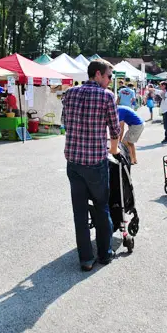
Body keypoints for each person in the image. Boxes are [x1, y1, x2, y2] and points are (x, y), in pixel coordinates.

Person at [62, 59, 120, 272]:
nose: (110, 80)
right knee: (101, 206)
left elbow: (65, 123)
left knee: (79, 211)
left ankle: (86, 258)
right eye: (108, 76)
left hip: (74, 161)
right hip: (95, 161)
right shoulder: (107, 96)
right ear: (97, 74)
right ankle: (104, 253)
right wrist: (114, 151)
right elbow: (115, 130)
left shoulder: (69, 94)